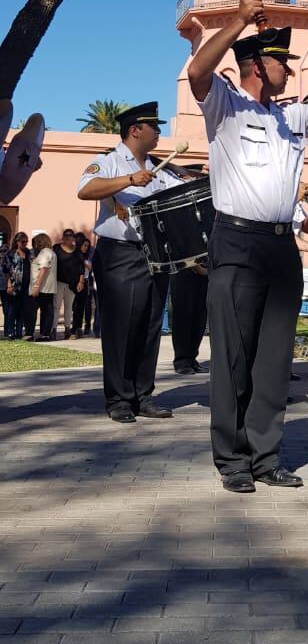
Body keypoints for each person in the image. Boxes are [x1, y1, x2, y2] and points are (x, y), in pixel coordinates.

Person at [187, 0, 308, 493]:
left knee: (272, 360)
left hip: (279, 246)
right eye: (279, 61)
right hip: (236, 243)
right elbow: (198, 72)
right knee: (233, 355)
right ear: (253, 64)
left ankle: (266, 458)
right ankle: (232, 461)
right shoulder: (225, 105)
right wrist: (239, 21)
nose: (288, 70)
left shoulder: (293, 116)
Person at [77, 101, 180, 422]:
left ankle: (143, 394)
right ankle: (119, 399)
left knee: (150, 325)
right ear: (136, 130)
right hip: (120, 252)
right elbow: (85, 189)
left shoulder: (160, 168)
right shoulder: (108, 161)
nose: (159, 133)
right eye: (155, 127)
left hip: (154, 254)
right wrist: (128, 181)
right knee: (122, 325)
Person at [52, 228, 85, 338]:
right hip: (58, 282)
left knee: (69, 307)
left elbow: (81, 269)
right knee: (56, 306)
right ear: (63, 237)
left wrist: (81, 282)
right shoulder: (56, 248)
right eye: (66, 234)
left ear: (73, 238)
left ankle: (67, 330)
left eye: (71, 235)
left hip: (72, 284)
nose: (68, 236)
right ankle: (53, 329)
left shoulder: (77, 252)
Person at [2, 231, 32, 340]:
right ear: (17, 241)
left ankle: (19, 331)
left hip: (26, 285)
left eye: (26, 241)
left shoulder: (28, 253)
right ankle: (10, 331)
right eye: (23, 242)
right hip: (15, 285)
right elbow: (6, 271)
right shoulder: (10, 254)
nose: (25, 244)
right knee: (12, 309)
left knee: (22, 309)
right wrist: (9, 285)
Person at [29, 231, 57, 340]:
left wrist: (36, 286)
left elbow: (43, 269)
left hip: (43, 288)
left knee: (40, 311)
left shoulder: (45, 253)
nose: (34, 246)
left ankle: (43, 334)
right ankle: (44, 334)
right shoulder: (51, 252)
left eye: (35, 243)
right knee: (47, 311)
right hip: (48, 288)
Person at [70, 235, 94, 338]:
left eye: (88, 246)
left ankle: (78, 327)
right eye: (84, 245)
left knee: (81, 307)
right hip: (76, 283)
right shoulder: (77, 255)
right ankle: (74, 327)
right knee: (75, 306)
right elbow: (81, 269)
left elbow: (90, 268)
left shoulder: (86, 256)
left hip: (86, 283)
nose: (86, 248)